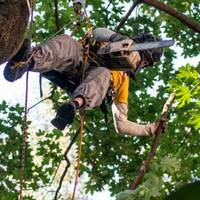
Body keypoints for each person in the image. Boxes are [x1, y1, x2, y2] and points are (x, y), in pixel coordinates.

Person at [3, 28, 166, 136]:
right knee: (67, 42)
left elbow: (121, 125)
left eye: (145, 62)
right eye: (142, 57)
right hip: (78, 60)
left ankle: (72, 107)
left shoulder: (123, 81)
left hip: (89, 84)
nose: (141, 62)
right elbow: (96, 32)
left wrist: (149, 129)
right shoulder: (116, 42)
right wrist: (117, 38)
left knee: (103, 74)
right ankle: (25, 63)